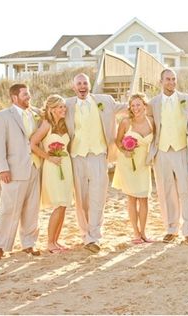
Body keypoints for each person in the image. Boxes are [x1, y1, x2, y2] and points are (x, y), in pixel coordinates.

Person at [65, 73, 127, 253]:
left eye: (85, 83)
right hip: (77, 156)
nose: (82, 86)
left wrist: (146, 105)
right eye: (79, 84)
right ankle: (86, 235)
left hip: (99, 155)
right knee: (81, 198)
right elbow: (48, 111)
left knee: (98, 197)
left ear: (89, 86)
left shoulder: (105, 100)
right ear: (73, 87)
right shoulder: (68, 104)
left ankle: (95, 237)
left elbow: (128, 107)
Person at [146, 69, 188, 245]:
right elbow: (148, 126)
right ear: (160, 81)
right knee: (166, 190)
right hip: (161, 151)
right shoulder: (152, 103)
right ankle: (171, 228)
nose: (171, 82)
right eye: (167, 79)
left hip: (182, 148)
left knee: (185, 189)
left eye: (173, 79)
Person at [0, 83, 42, 259]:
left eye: (29, 94)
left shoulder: (35, 114)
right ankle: (1, 246)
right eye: (25, 94)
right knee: (9, 209)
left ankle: (29, 244)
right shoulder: (2, 116)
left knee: (32, 209)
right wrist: (2, 168)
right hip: (13, 170)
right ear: (14, 97)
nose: (29, 97)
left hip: (35, 167)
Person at [29, 94, 73, 253]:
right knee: (58, 204)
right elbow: (33, 144)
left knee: (64, 206)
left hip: (66, 165)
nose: (63, 109)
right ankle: (50, 243)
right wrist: (49, 158)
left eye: (64, 106)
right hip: (53, 167)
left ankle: (56, 241)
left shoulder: (64, 124)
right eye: (60, 107)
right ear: (52, 109)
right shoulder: (46, 125)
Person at [112, 93, 154, 244]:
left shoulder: (151, 122)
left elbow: (154, 143)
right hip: (128, 163)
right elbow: (117, 141)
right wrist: (125, 151)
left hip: (143, 163)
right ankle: (136, 233)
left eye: (138, 104)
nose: (136, 108)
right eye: (133, 105)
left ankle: (143, 232)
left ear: (144, 105)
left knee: (144, 198)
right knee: (132, 197)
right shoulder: (125, 122)